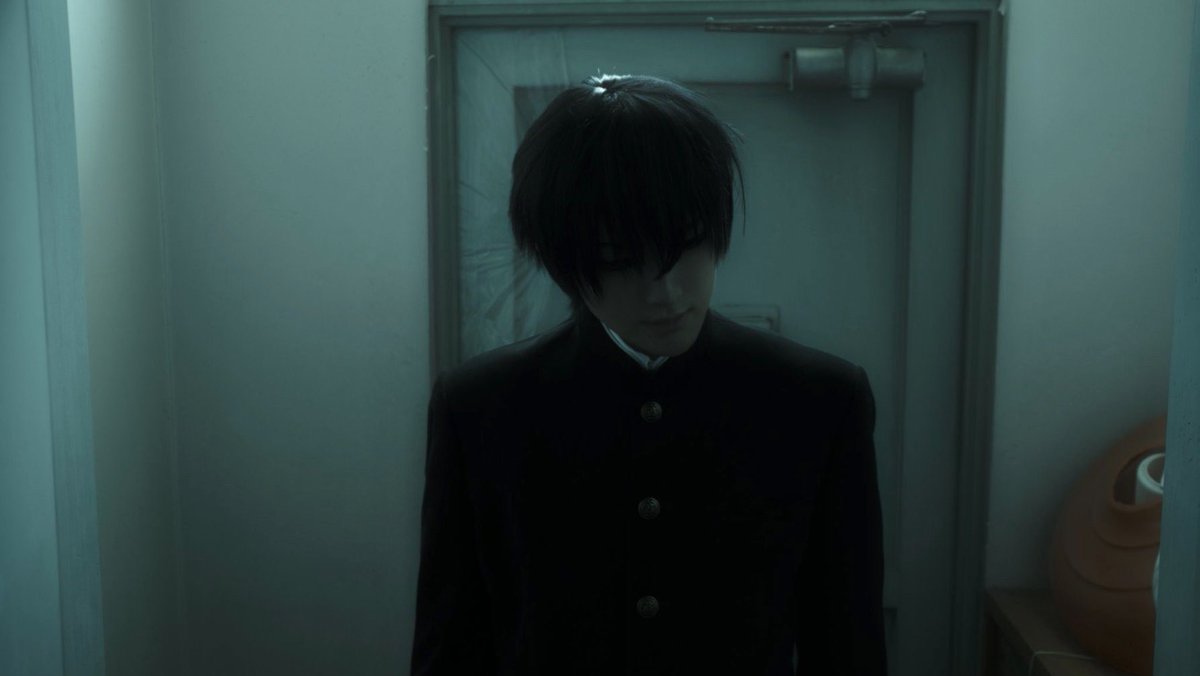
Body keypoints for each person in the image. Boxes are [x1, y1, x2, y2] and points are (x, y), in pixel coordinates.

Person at [411, 74, 887, 675]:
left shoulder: (818, 403)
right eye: (620, 261)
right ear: (564, 261)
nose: (665, 292)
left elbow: (848, 647)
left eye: (687, 245)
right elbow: (450, 649)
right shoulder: (479, 409)